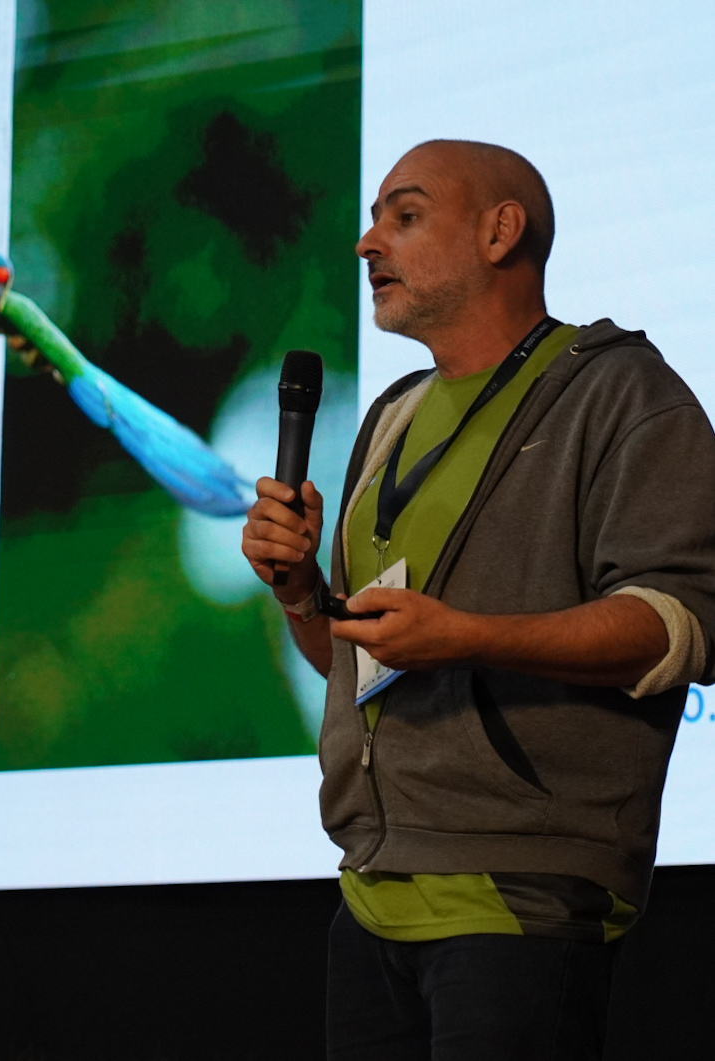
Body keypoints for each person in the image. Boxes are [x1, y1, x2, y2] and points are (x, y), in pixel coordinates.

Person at [241, 139, 715, 1060]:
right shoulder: (392, 416)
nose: (366, 243)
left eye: (403, 217)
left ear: (503, 232)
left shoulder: (620, 393)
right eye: (374, 217)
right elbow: (353, 663)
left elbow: (683, 623)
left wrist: (470, 636)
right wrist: (303, 593)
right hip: (371, 895)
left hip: (520, 893)